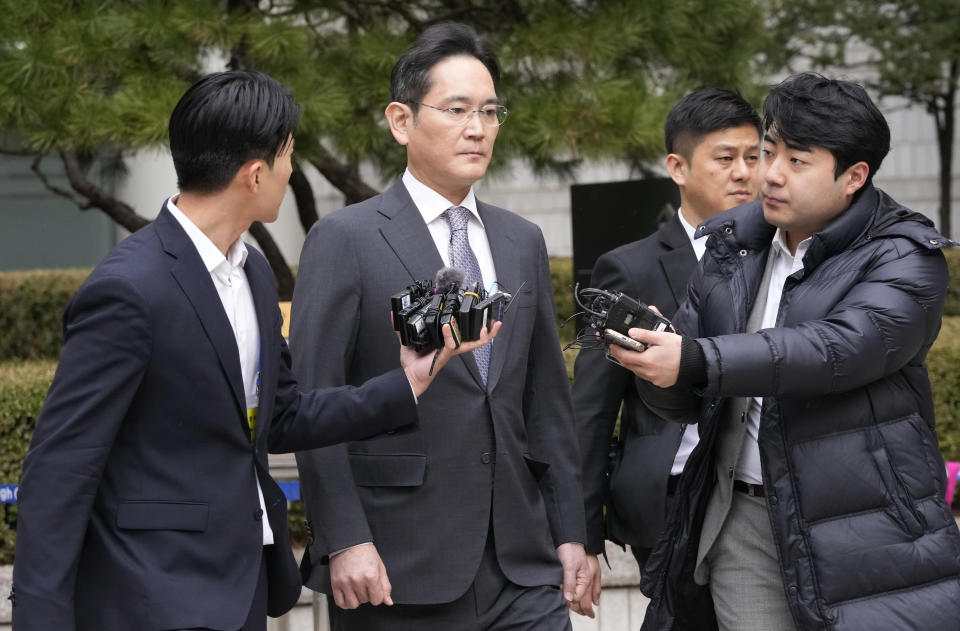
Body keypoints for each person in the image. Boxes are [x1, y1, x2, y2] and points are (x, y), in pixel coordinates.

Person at [10, 70, 496, 631]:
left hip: (241, 588)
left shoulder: (254, 272)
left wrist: (409, 381)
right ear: (256, 174)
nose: (291, 172)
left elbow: (283, 415)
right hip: (147, 594)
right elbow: (60, 466)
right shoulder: (128, 288)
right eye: (288, 156)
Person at [609, 73, 960, 631]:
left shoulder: (905, 257)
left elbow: (834, 350)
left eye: (797, 161)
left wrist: (698, 359)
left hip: (867, 525)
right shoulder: (732, 246)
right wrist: (657, 361)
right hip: (743, 518)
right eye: (769, 151)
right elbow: (686, 394)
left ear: (854, 176)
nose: (768, 174)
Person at [291, 22, 590, 631]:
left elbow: (546, 406)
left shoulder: (521, 238)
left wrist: (570, 533)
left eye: (489, 111)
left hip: (521, 565)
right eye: (456, 110)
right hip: (397, 563)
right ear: (401, 121)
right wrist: (344, 537)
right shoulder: (345, 239)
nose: (477, 128)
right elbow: (312, 407)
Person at [572, 88, 760, 618]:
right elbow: (590, 411)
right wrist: (582, 535)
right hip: (674, 496)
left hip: (766, 488)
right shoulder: (627, 269)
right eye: (725, 159)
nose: (744, 173)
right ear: (677, 166)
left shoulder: (786, 257)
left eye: (754, 156)